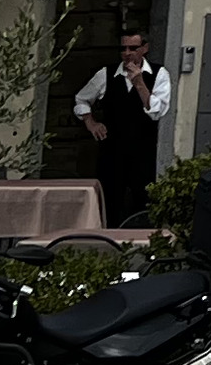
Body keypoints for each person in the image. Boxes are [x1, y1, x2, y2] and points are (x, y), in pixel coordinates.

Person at [73, 29, 174, 224]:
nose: (127, 53)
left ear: (144, 48)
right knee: (108, 202)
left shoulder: (159, 74)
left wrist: (139, 84)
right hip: (111, 151)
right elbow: (81, 99)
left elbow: (156, 112)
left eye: (133, 48)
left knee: (143, 203)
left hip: (143, 152)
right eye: (123, 48)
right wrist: (90, 122)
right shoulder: (106, 74)